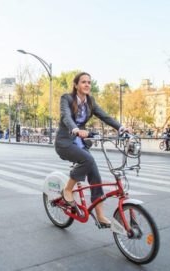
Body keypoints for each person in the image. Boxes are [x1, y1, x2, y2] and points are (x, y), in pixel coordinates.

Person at [55, 72, 128, 228]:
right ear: (76, 85)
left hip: (80, 143)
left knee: (95, 175)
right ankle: (67, 190)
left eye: (89, 82)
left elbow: (105, 116)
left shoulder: (91, 102)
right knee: (88, 160)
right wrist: (75, 129)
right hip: (65, 142)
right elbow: (66, 116)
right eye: (83, 82)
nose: (87, 84)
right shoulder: (66, 98)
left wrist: (121, 128)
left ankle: (100, 215)